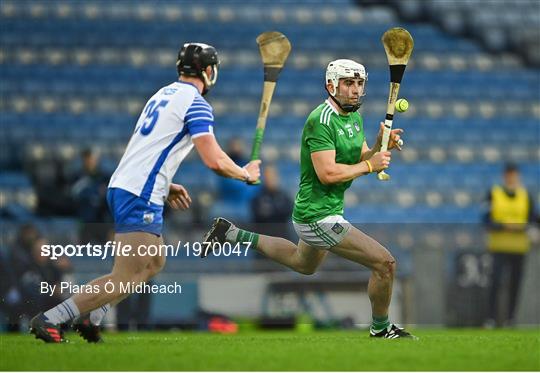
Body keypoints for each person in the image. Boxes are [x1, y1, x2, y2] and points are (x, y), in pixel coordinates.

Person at [29, 42, 261, 343]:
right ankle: (52, 317)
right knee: (124, 275)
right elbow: (214, 160)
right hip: (138, 193)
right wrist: (245, 173)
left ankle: (94, 316)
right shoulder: (196, 103)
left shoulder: (161, 94)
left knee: (155, 261)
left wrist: (165, 185)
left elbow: (146, 149)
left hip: (128, 186)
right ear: (208, 71)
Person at [204, 59, 416, 339]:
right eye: (348, 83)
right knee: (385, 264)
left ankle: (231, 233)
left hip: (323, 211)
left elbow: (361, 157)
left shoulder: (354, 116)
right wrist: (370, 166)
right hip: (317, 216)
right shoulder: (321, 120)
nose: (355, 90)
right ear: (331, 86)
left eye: (359, 83)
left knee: (302, 263)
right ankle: (380, 329)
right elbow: (328, 173)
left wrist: (379, 145)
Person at [484, 163, 536, 328]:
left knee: (515, 284)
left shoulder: (526, 195)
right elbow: (486, 220)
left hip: (519, 247)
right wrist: (504, 226)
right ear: (505, 176)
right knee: (496, 282)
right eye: (509, 174)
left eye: (514, 174)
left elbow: (533, 217)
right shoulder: (494, 193)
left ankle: (510, 319)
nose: (511, 178)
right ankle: (491, 318)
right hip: (499, 246)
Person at [250, 165, 293, 239]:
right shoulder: (257, 197)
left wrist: (272, 210)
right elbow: (259, 216)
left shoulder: (285, 196)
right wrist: (278, 209)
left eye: (273, 176)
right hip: (264, 239)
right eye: (268, 176)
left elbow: (289, 212)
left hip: (282, 238)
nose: (271, 179)